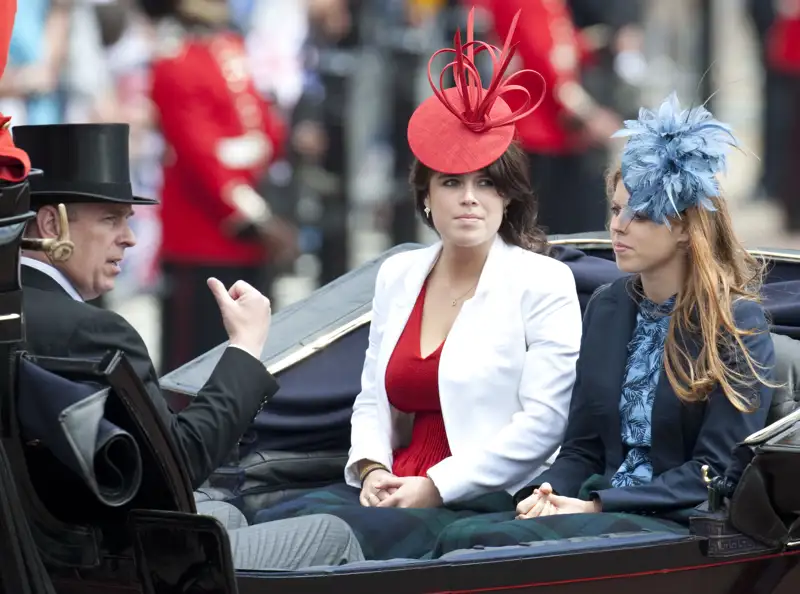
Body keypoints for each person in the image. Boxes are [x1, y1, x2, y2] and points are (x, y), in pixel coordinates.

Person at [252, 8, 583, 561]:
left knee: (307, 544)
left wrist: (437, 486)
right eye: (451, 183)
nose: (469, 198)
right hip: (391, 487)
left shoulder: (543, 281)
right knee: (270, 518)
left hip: (479, 502)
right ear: (426, 196)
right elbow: (372, 398)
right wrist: (372, 466)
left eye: (486, 183)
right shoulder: (399, 274)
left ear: (508, 196)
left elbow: (544, 426)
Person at [428, 92, 777, 556]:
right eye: (616, 210)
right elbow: (582, 448)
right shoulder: (608, 307)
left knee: (481, 544)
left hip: (674, 525)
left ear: (683, 228)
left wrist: (594, 506)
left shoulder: (737, 323)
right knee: (459, 530)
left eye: (640, 215)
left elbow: (714, 473)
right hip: (598, 507)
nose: (619, 226)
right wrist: (547, 494)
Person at [12, 122, 364, 570]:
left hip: (45, 545)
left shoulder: (26, 314)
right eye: (110, 219)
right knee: (330, 533)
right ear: (50, 223)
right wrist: (244, 347)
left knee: (226, 514)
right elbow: (180, 463)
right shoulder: (93, 331)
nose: (130, 237)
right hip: (103, 561)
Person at [138, 0, 298, 373]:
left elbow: (268, 135)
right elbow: (201, 158)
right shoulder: (173, 63)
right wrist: (257, 217)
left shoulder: (232, 53)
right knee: (194, 366)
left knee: (245, 362)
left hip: (247, 238)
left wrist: (243, 163)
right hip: (202, 240)